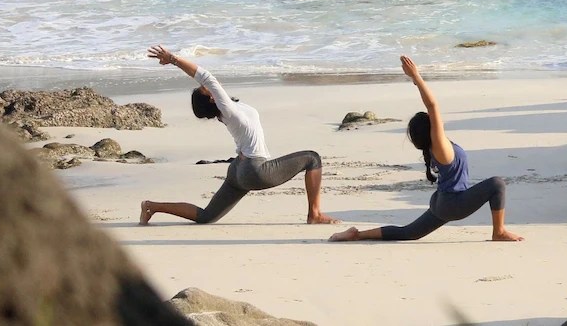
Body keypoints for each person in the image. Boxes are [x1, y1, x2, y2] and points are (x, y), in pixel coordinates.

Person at [139, 45, 339, 225]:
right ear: (211, 99)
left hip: (237, 170)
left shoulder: (229, 110)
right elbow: (206, 76)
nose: (207, 86)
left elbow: (210, 83)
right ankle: (315, 214)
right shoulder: (228, 110)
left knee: (206, 216)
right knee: (312, 158)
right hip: (255, 170)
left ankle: (152, 206)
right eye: (205, 89)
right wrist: (173, 59)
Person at [329, 56, 523, 242]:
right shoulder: (439, 146)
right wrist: (416, 77)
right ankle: (499, 231)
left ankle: (357, 234)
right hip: (453, 204)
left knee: (408, 233)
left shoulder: (433, 150)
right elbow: (433, 105)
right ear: (430, 128)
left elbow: (432, 110)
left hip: (442, 203)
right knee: (496, 184)